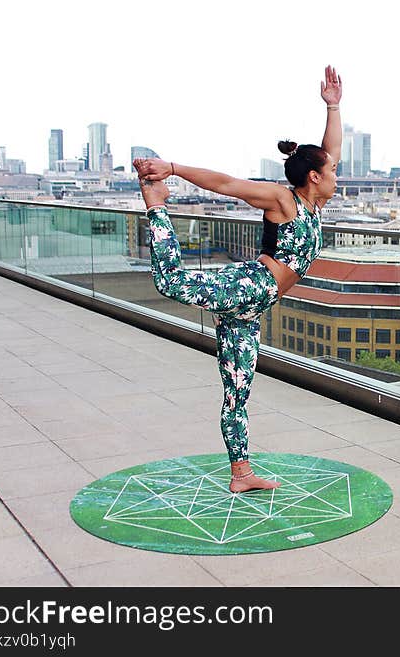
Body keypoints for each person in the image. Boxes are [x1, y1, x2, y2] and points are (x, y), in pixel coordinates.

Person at [133, 65, 342, 493]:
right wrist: (171, 168)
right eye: (331, 171)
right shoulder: (284, 199)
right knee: (171, 283)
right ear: (315, 177)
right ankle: (155, 204)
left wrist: (333, 105)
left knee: (238, 388)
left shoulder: (315, 204)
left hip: (253, 309)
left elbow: (330, 148)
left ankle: (241, 473)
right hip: (250, 286)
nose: (337, 174)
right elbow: (228, 184)